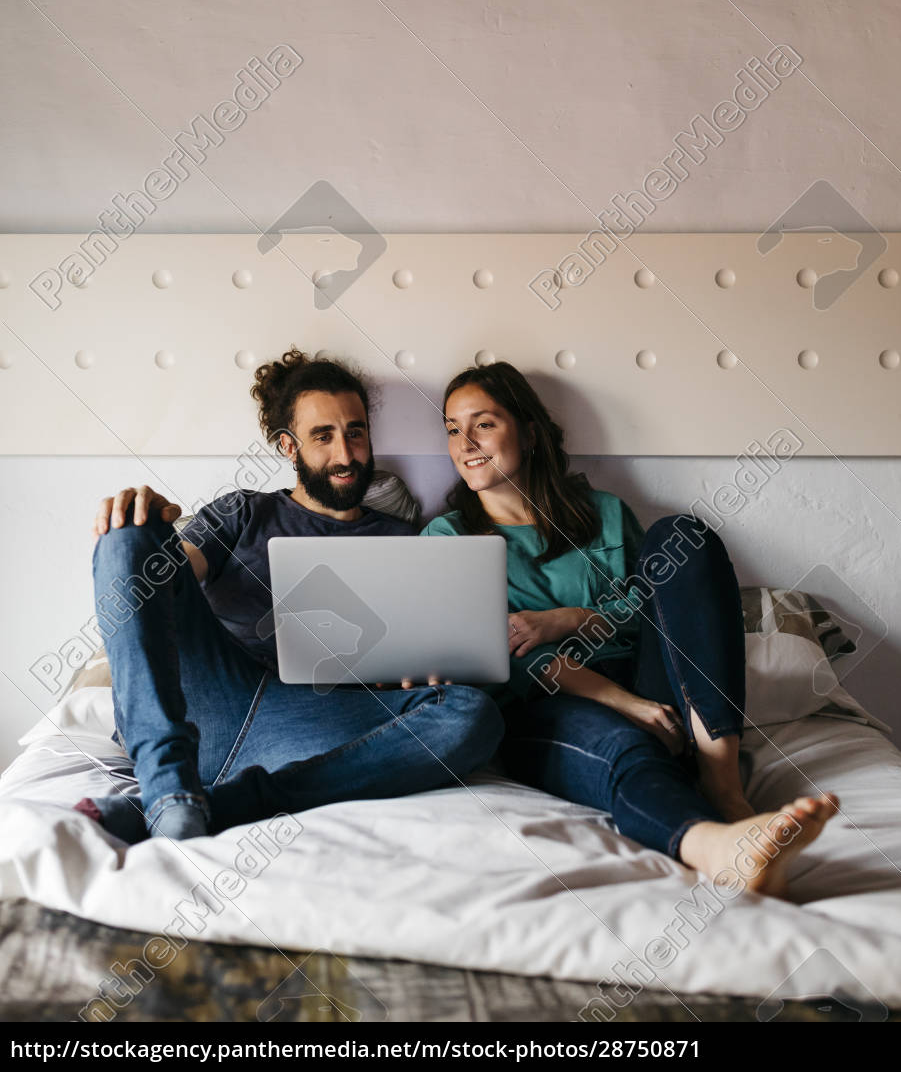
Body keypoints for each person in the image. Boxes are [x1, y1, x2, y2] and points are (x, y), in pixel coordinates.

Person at [422, 361, 839, 899]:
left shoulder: (606, 513)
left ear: (526, 430)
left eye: (483, 423)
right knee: (624, 747)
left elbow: (660, 610)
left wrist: (571, 619)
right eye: (452, 428)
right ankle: (719, 847)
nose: (465, 442)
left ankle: (724, 781)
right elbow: (503, 654)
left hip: (651, 679)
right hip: (547, 702)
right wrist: (626, 704)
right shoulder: (448, 537)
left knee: (680, 535)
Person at [76, 349, 503, 843]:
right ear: (288, 446)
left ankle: (198, 804)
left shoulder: (407, 540)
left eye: (356, 432)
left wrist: (415, 675)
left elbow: (426, 659)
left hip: (311, 723)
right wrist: (150, 531)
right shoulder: (243, 512)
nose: (345, 455)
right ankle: (165, 777)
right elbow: (170, 580)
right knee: (128, 534)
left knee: (473, 714)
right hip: (209, 701)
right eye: (323, 436)